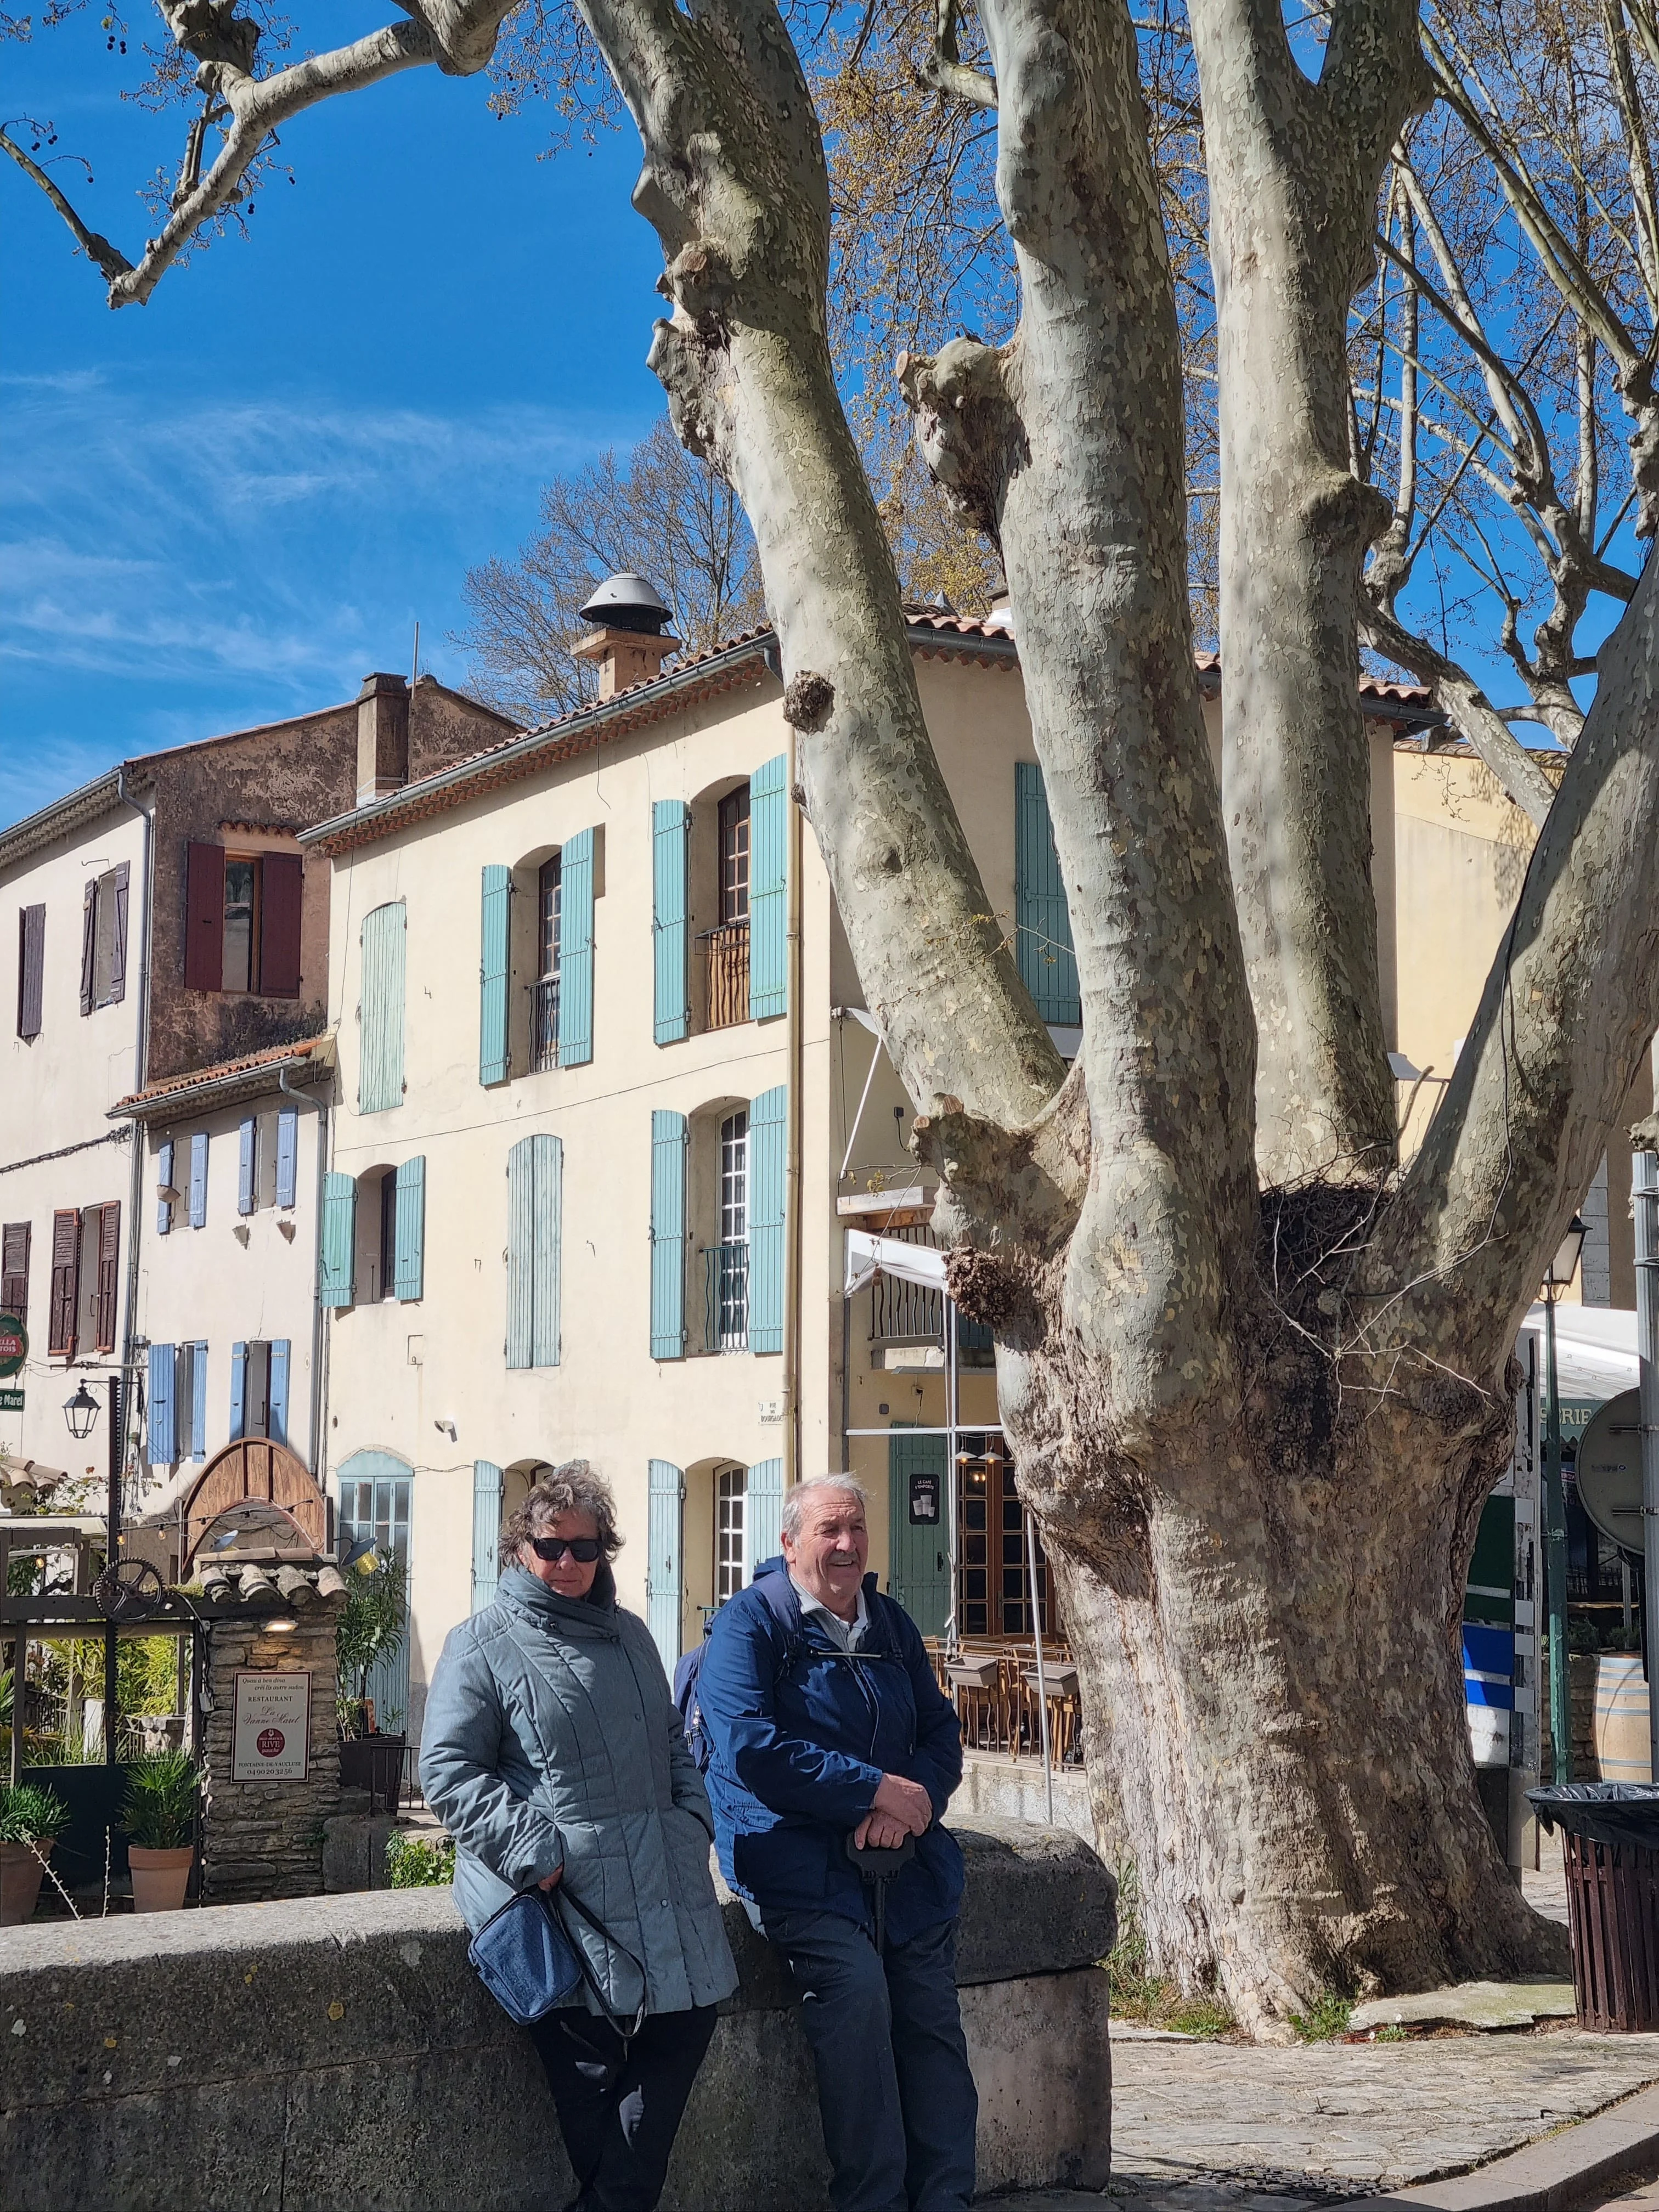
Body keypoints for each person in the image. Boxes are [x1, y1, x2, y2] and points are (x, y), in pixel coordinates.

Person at [421, 1462, 736, 2212]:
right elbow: (446, 1770)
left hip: (660, 1884)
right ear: (519, 1548)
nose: (567, 1564)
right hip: (563, 1907)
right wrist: (536, 1852)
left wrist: (694, 1820)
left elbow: (672, 1742)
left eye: (585, 1550)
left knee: (689, 2024)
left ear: (605, 1553)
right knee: (591, 2078)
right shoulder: (482, 1642)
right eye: (551, 1547)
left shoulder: (631, 1637)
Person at [694, 1472, 975, 2212]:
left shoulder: (889, 1624)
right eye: (828, 1531)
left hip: (897, 1862)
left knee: (930, 2017)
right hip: (789, 1859)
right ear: (789, 1544)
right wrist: (871, 1789)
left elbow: (941, 1733)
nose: (846, 1545)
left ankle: (947, 2198)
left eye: (855, 1529)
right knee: (854, 1996)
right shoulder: (748, 1627)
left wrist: (907, 1804)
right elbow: (751, 1748)